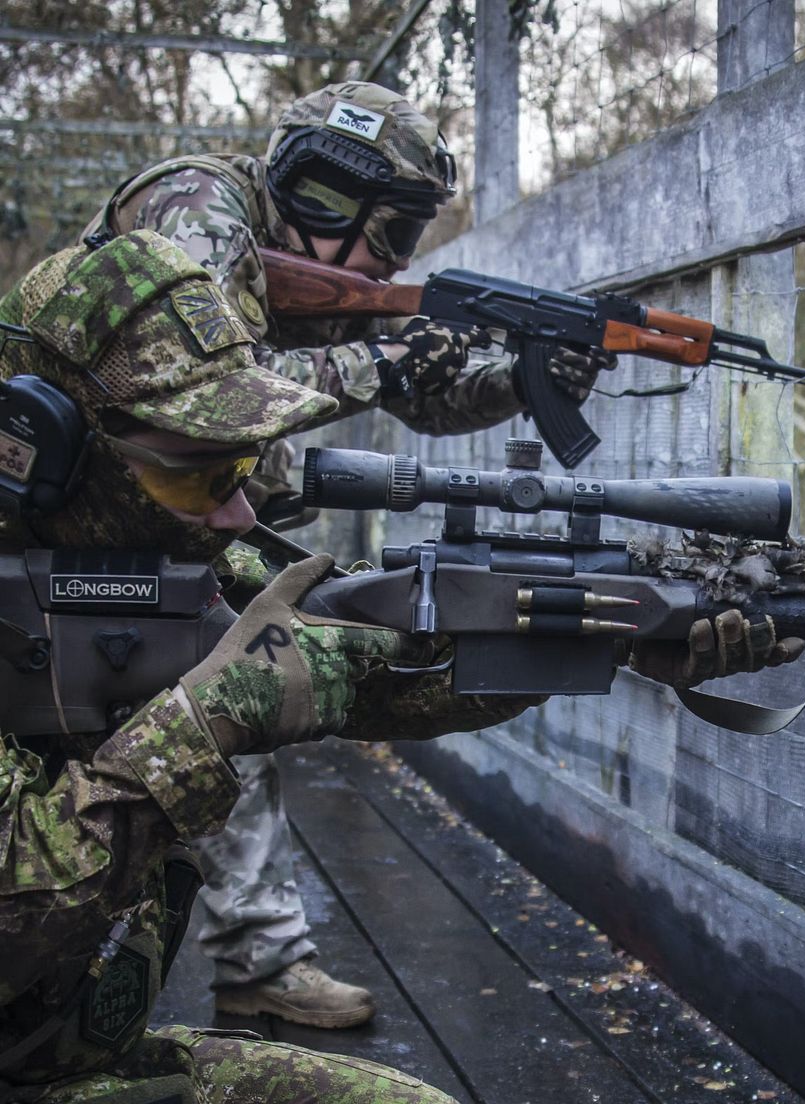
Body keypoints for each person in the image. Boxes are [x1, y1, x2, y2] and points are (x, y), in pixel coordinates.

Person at [0, 230, 799, 1100]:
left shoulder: (161, 559)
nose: (234, 515)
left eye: (241, 469)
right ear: (36, 449)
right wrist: (202, 726)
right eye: (197, 475)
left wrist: (591, 639)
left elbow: (371, 672)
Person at [80, 81, 617, 1030]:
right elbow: (201, 384)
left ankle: (258, 963)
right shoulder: (196, 208)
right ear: (326, 189)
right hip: (82, 515)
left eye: (407, 235)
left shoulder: (317, 268)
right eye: (391, 228)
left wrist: (516, 383)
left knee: (231, 710)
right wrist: (391, 359)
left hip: (184, 520)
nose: (393, 258)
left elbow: (419, 395)